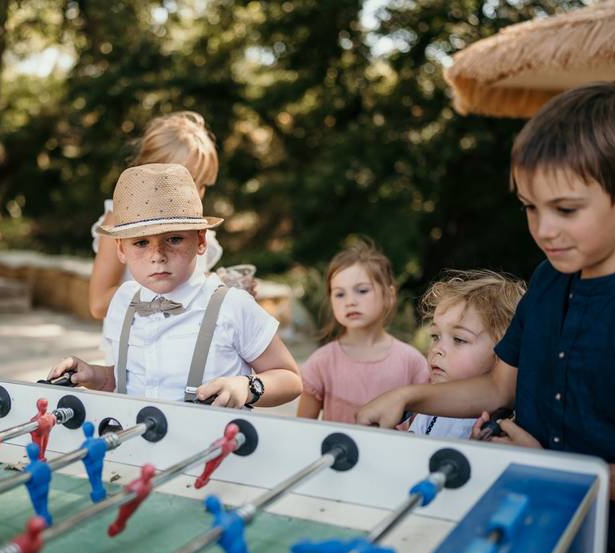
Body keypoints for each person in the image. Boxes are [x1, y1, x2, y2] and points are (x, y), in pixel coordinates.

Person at [356, 82, 615, 553]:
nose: (543, 229)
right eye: (531, 208)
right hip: (534, 535)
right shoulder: (548, 279)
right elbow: (496, 387)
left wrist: (560, 468)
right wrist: (408, 395)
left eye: (565, 209)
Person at [49, 163, 301, 409]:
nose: (157, 255)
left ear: (200, 240)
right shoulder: (124, 302)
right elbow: (126, 380)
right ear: (121, 250)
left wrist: (247, 387)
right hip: (138, 444)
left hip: (216, 445)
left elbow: (289, 378)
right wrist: (93, 374)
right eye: (141, 243)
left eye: (174, 239)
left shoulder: (231, 305)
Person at [89, 111, 222, 320]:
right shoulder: (120, 221)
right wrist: (161, 289)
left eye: (202, 183)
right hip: (134, 344)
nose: (198, 192)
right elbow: (98, 305)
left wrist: (223, 290)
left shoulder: (194, 227)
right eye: (185, 179)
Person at [297, 242, 429, 424]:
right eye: (340, 294)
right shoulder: (321, 362)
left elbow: (424, 430)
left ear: (389, 296)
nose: (350, 301)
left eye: (362, 291)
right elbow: (302, 429)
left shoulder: (412, 362)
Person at [405, 270, 525, 439]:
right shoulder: (431, 407)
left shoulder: (498, 426)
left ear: (504, 351)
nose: (437, 349)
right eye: (435, 336)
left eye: (459, 339)